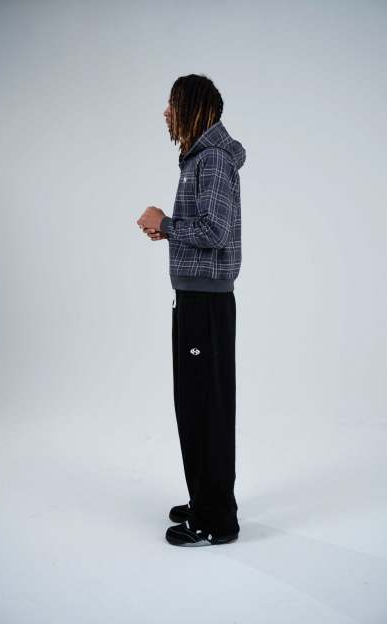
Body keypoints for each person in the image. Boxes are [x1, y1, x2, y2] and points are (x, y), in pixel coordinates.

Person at [137, 73, 246, 546]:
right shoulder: (200, 159)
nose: (166, 112)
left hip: (206, 302)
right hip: (196, 299)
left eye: (172, 103)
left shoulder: (214, 160)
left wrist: (167, 223)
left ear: (194, 108)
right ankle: (205, 498)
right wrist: (169, 231)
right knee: (195, 402)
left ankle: (216, 519)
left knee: (206, 407)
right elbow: (204, 228)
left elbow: (215, 231)